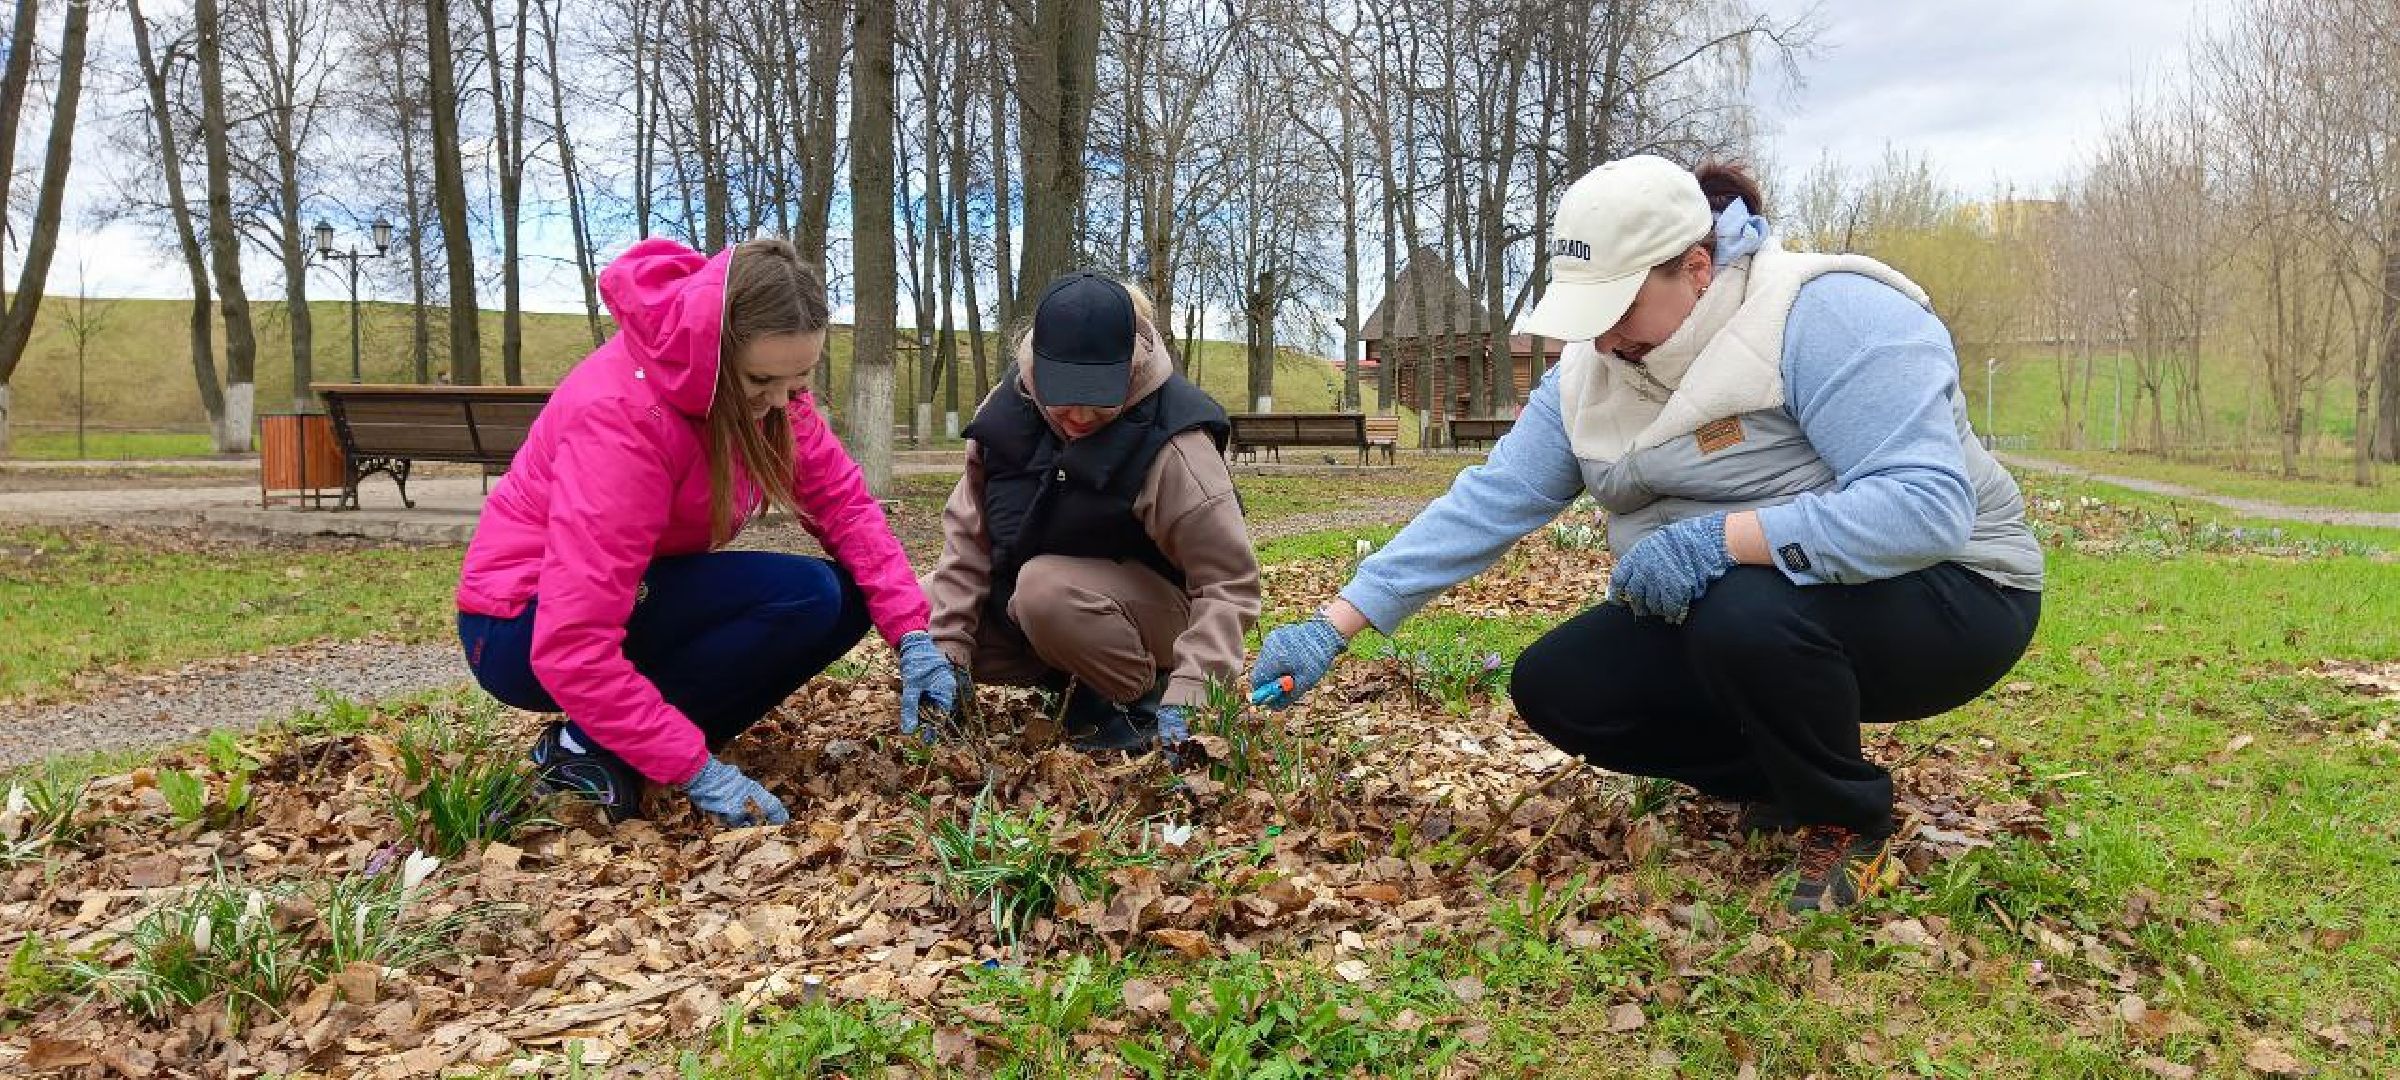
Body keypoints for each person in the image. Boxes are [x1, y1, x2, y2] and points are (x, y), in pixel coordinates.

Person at [1249, 157, 2043, 913]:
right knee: (1562, 686)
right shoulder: (1590, 375)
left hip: (1958, 595)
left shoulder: (1825, 315)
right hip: (1767, 606)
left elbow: (1927, 507)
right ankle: (1781, 776)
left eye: (1621, 307)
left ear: (1697, 268)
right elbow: (1490, 500)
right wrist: (1334, 625)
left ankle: (1846, 817)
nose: (1603, 339)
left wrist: (1719, 542)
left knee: (1741, 609)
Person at [454, 237, 957, 827]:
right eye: (761, 381)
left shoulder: (768, 397)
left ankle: (619, 744)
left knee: (831, 599)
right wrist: (699, 772)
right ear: (712, 351)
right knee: (804, 597)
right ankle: (586, 749)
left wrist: (913, 636)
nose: (781, 403)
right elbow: (572, 645)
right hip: (519, 625)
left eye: (798, 383)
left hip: (627, 589)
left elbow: (845, 508)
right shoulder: (624, 422)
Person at [922, 272, 1260, 751]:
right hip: (1055, 614)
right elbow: (967, 548)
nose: (1079, 416)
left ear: (1128, 370)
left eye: (1099, 399)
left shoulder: (1175, 443)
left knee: (1045, 588)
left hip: (1156, 616)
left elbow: (1228, 584)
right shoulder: (1005, 413)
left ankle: (1136, 699)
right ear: (1038, 370)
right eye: (1064, 398)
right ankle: (1071, 686)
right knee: (916, 608)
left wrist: (1194, 692)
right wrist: (945, 658)